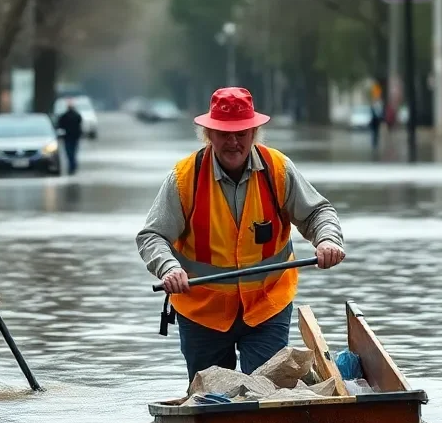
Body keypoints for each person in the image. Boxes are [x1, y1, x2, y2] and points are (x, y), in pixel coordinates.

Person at [136, 86, 346, 382]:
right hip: (202, 313)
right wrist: (168, 267)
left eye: (241, 134)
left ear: (254, 133)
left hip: (266, 307)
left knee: (267, 389)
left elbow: (318, 213)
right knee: (210, 397)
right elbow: (152, 236)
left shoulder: (278, 170)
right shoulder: (185, 178)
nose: (233, 142)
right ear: (209, 134)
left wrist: (327, 240)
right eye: (224, 134)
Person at [56, 98, 84, 175]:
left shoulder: (64, 116)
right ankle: (73, 166)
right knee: (73, 152)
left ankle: (72, 166)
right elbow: (80, 126)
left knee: (69, 153)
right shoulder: (77, 116)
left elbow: (60, 126)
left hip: (68, 137)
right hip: (74, 137)